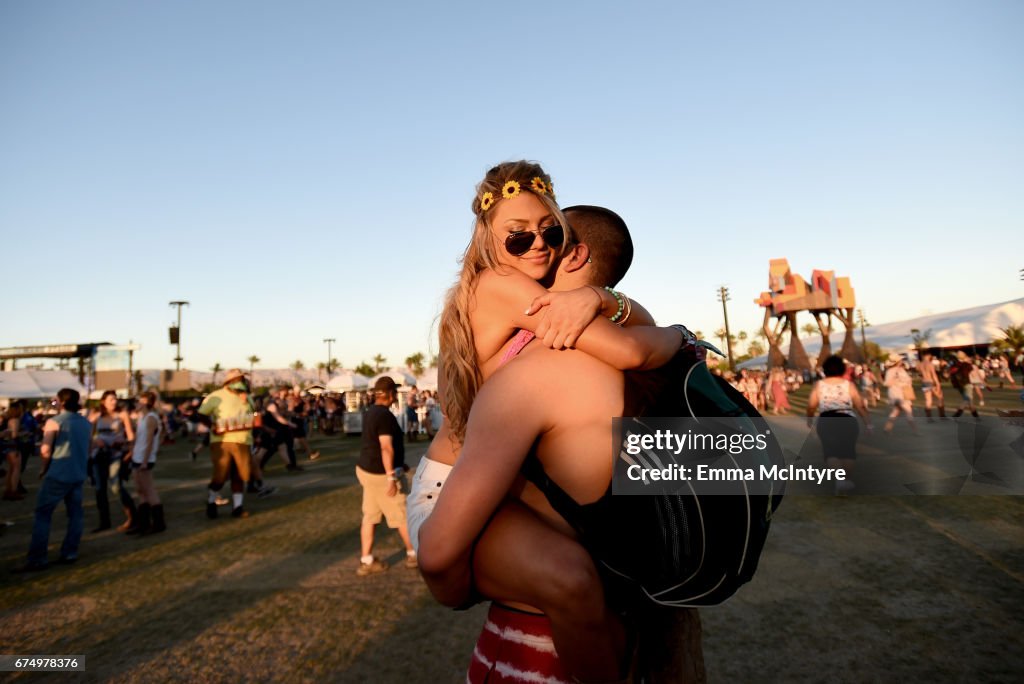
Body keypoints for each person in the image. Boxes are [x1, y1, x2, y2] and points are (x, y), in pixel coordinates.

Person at [419, 205, 703, 681]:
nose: (536, 250)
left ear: (573, 254)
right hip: (630, 618)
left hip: (531, 639)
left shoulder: (534, 368)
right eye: (521, 238)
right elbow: (640, 342)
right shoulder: (650, 356)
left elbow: (439, 554)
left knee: (567, 577)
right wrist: (676, 330)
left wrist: (455, 592)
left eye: (550, 235)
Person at [13, 388, 91, 572]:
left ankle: (38, 558)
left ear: (61, 402)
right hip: (78, 474)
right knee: (75, 515)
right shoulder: (86, 423)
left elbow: (45, 450)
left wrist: (43, 468)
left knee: (43, 514)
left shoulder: (54, 422)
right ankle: (70, 552)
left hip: (58, 474)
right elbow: (89, 449)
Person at [355, 376, 417, 575]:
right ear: (390, 394)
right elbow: (386, 448)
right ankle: (414, 554)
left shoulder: (370, 412)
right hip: (382, 474)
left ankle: (366, 560)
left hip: (366, 470)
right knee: (401, 516)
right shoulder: (384, 416)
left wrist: (400, 463)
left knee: (370, 516)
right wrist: (391, 476)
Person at [196, 368, 259, 519]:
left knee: (240, 475)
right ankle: (211, 501)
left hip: (243, 440)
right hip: (222, 441)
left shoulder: (247, 397)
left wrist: (249, 410)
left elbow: (252, 416)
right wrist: (212, 426)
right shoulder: (216, 396)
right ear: (230, 381)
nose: (242, 382)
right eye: (239, 379)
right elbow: (201, 414)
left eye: (242, 379)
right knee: (221, 475)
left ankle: (238, 507)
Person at [806, 355, 873, 494]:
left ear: (825, 369)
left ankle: (840, 482)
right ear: (843, 369)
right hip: (847, 419)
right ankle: (845, 482)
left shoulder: (819, 385)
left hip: (827, 420)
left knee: (831, 452)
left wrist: (810, 419)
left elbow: (811, 405)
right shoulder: (848, 384)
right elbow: (860, 406)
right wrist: (868, 424)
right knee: (848, 452)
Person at [88, 390, 137, 532]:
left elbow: (130, 434)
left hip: (116, 454)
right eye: (110, 399)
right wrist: (94, 443)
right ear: (103, 401)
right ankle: (104, 521)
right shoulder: (97, 415)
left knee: (116, 486)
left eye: (115, 399)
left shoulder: (122, 414)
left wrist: (130, 449)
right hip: (99, 455)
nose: (114, 402)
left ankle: (132, 517)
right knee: (99, 488)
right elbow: (88, 434)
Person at [127, 391, 166, 535]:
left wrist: (144, 460)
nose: (136, 403)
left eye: (138, 400)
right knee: (140, 490)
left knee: (149, 490)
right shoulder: (142, 417)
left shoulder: (151, 418)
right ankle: (143, 523)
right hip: (137, 457)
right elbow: (139, 439)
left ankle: (158, 523)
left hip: (145, 459)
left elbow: (149, 441)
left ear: (145, 401)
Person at [883, 353, 917, 434]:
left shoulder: (898, 370)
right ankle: (916, 430)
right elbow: (887, 383)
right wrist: (897, 382)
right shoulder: (894, 371)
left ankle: (887, 428)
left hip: (899, 393)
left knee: (896, 411)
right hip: (899, 394)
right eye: (900, 360)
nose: (902, 361)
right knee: (908, 411)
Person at [2, 402, 25, 501]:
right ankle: (13, 491)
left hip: (7, 446)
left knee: (11, 469)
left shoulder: (8, 419)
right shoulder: (15, 420)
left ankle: (8, 490)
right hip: (14, 447)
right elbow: (14, 435)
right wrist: (24, 433)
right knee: (16, 469)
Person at [918, 352, 946, 422]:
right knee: (940, 398)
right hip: (931, 382)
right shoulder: (930, 364)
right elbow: (933, 375)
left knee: (928, 400)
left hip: (924, 382)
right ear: (928, 355)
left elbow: (920, 375)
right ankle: (942, 415)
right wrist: (938, 384)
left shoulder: (919, 365)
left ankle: (929, 417)